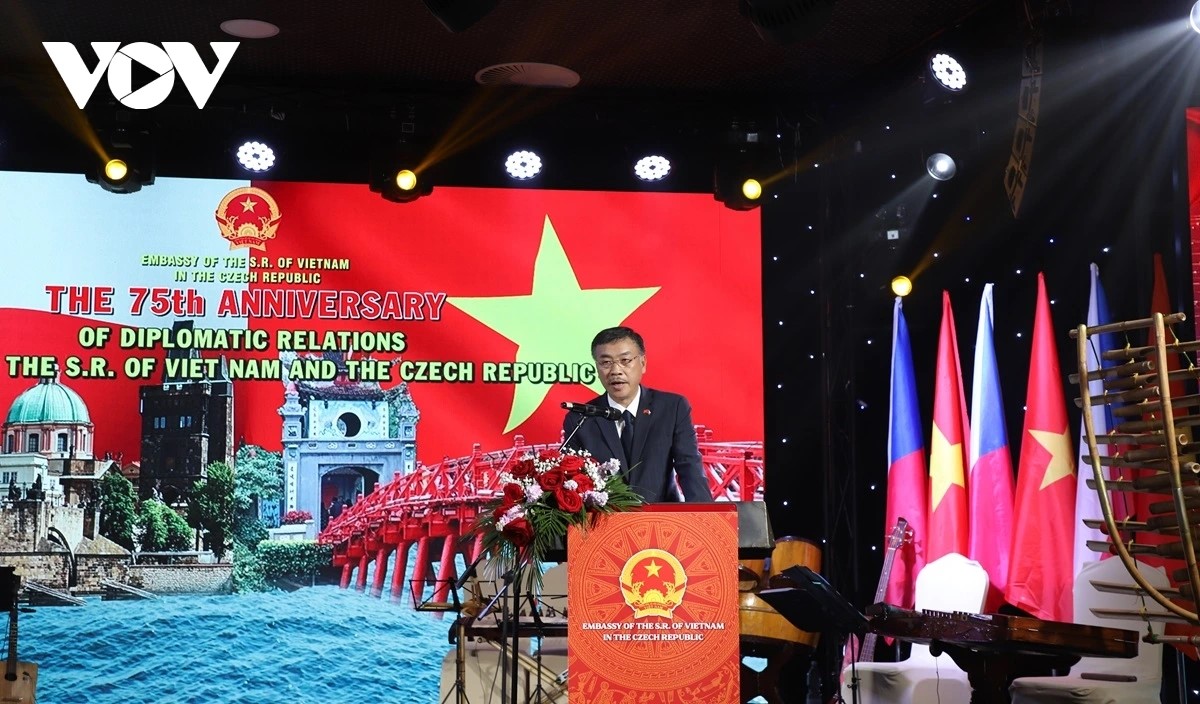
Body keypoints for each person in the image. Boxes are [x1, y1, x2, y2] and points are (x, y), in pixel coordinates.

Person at [562, 326, 709, 503]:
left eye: (625, 360)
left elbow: (689, 467)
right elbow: (573, 481)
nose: (616, 371)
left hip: (662, 516)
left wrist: (706, 515)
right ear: (597, 367)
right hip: (605, 518)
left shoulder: (672, 407)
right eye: (606, 362)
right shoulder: (581, 418)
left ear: (643, 363)